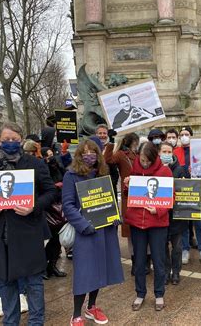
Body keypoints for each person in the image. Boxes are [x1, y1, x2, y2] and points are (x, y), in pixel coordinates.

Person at [0, 122, 56, 325]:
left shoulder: (35, 164)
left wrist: (34, 207)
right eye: (6, 140)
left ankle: (36, 322)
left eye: (14, 139)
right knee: (5, 284)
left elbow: (50, 192)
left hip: (28, 232)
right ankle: (10, 322)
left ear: (21, 139)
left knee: (34, 283)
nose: (10, 143)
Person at [62, 139, 123, 326]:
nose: (89, 156)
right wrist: (82, 225)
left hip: (104, 230)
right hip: (86, 231)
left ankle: (92, 306)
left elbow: (108, 199)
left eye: (93, 152)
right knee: (84, 272)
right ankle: (76, 314)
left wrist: (115, 216)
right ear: (79, 155)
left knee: (99, 269)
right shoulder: (71, 175)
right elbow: (68, 205)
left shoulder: (102, 174)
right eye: (85, 152)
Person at [124, 142, 173, 311]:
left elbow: (170, 197)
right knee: (139, 262)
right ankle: (140, 293)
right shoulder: (135, 168)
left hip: (157, 224)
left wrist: (158, 209)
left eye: (147, 161)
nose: (144, 163)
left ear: (154, 158)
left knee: (158, 261)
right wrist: (127, 185)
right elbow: (129, 195)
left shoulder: (165, 171)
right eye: (142, 160)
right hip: (138, 223)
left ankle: (159, 294)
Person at [104, 133, 139, 275]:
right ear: (132, 142)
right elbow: (108, 159)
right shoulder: (121, 154)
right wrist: (111, 143)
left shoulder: (138, 154)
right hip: (128, 196)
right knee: (130, 230)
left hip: (140, 195)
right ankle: (135, 263)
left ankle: (144, 261)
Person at [174, 126, 201, 266]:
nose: (184, 136)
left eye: (186, 134)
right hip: (182, 192)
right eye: (181, 134)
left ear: (191, 135)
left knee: (199, 223)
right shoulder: (175, 152)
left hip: (196, 191)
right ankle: (185, 249)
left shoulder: (198, 151)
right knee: (184, 223)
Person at [159, 142, 188, 285]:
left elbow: (188, 189)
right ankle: (165, 272)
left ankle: (176, 272)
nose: (166, 154)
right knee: (163, 246)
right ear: (159, 153)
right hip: (161, 216)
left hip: (177, 216)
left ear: (173, 153)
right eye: (163, 151)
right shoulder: (155, 169)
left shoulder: (180, 170)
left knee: (177, 247)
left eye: (169, 151)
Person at [40, 147, 67, 280]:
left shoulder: (58, 167)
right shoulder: (43, 169)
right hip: (49, 208)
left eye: (52, 155)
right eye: (48, 156)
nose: (51, 159)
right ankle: (44, 267)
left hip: (60, 207)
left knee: (57, 240)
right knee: (49, 239)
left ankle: (53, 265)